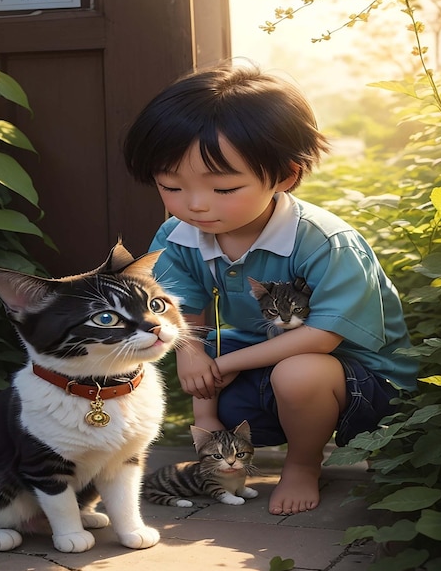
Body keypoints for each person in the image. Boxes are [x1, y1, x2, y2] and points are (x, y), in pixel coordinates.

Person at [123, 62, 418, 516]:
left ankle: (302, 464)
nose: (195, 204)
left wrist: (222, 362)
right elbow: (183, 315)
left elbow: (322, 338)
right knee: (207, 358)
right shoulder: (178, 236)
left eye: (223, 188)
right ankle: (234, 444)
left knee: (297, 371)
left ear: (284, 176)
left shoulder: (322, 241)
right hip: (271, 370)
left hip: (364, 385)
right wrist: (198, 373)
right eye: (172, 186)